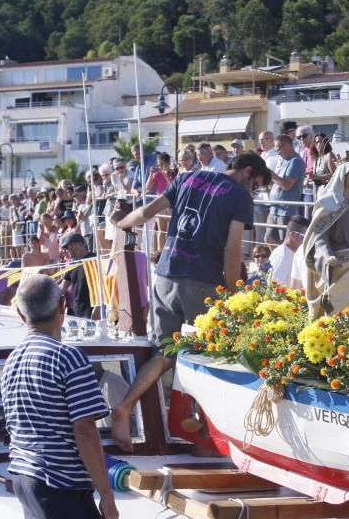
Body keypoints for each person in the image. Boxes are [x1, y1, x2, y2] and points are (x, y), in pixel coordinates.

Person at [110, 152, 269, 430]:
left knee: (164, 353)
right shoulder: (240, 197)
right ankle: (203, 429)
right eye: (255, 184)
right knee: (210, 354)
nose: (253, 191)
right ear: (246, 171)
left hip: (166, 275)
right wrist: (234, 296)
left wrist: (120, 223)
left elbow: (147, 212)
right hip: (203, 282)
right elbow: (232, 252)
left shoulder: (187, 177)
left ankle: (124, 408)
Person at [0, 275, 117, 519]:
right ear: (63, 309)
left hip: (25, 478)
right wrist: (107, 498)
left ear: (20, 314)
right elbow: (85, 432)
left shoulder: (12, 361)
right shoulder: (68, 358)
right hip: (59, 483)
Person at [303, 162, 349, 317]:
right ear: (342, 175)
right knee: (337, 314)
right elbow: (319, 236)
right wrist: (326, 255)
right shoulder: (329, 203)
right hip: (338, 266)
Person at [267, 135, 306, 242]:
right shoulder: (282, 160)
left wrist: (270, 174)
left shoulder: (296, 161)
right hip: (274, 209)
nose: (276, 151)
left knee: (285, 242)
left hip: (286, 211)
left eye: (278, 148)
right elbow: (277, 182)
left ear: (287, 146)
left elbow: (287, 185)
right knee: (268, 238)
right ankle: (276, 259)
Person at [59, 232, 95, 319]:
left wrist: (98, 307)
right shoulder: (72, 263)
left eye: (68, 247)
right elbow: (63, 286)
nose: (67, 250)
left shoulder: (94, 259)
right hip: (75, 311)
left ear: (75, 244)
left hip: (92, 310)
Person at [268, 215, 309, 287]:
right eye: (304, 237)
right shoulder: (281, 256)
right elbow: (274, 288)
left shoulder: (296, 253)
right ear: (293, 235)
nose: (307, 241)